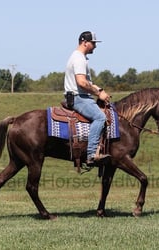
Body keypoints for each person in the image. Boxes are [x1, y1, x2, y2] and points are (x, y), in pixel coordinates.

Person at [64, 31, 111, 166]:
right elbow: (82, 83)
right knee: (100, 118)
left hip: (80, 96)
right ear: (85, 42)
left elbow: (87, 82)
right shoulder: (79, 58)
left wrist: (100, 90)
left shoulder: (80, 57)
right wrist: (97, 94)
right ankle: (91, 154)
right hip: (79, 98)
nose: (95, 46)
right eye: (93, 43)